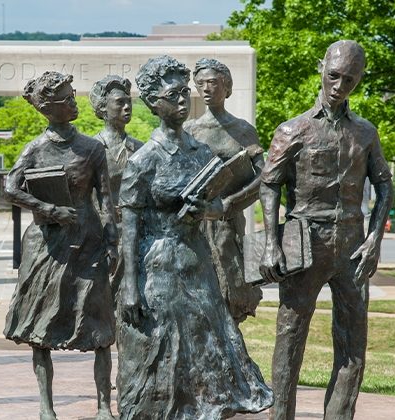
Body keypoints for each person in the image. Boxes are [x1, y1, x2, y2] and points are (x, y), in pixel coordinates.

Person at [117, 55, 273, 419]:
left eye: (184, 92)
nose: (183, 100)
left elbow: (219, 199)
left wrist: (211, 206)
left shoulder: (201, 151)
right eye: (173, 95)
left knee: (208, 338)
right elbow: (129, 224)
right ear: (154, 103)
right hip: (158, 263)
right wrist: (129, 285)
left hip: (197, 258)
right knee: (164, 342)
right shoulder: (144, 159)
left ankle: (205, 406)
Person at [259, 40, 394, 420]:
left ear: (360, 79)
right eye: (334, 75)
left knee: (353, 342)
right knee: (290, 336)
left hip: (352, 245)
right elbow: (269, 184)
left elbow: (384, 185)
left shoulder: (365, 133)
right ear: (321, 68)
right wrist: (270, 244)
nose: (339, 86)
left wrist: (375, 238)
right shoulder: (293, 129)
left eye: (350, 80)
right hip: (304, 240)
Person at [3, 71, 118, 420]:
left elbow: (106, 200)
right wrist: (49, 209)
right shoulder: (35, 149)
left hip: (88, 243)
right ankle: (46, 407)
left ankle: (103, 406)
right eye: (66, 99)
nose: (73, 102)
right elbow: (10, 188)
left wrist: (112, 241)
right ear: (48, 108)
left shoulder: (93, 148)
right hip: (47, 247)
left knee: (100, 326)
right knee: (40, 327)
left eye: (73, 95)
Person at [183, 58, 265, 325]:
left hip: (229, 222)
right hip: (194, 225)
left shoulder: (243, 130)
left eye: (213, 83)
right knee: (197, 296)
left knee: (231, 290)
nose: (206, 88)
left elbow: (265, 176)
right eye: (201, 84)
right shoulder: (189, 130)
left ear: (227, 87)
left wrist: (231, 202)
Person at [88, 75, 143, 298]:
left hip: (136, 234)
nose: (127, 107)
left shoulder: (141, 149)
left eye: (129, 102)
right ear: (103, 108)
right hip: (100, 236)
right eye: (120, 102)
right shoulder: (90, 149)